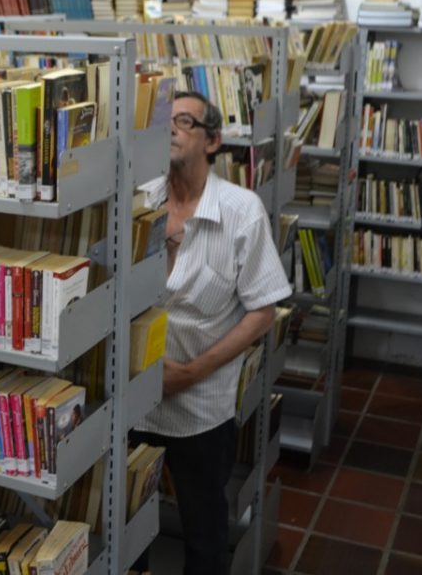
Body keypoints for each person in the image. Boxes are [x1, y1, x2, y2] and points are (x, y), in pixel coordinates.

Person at [131, 91, 292, 575]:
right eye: (167, 122)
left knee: (203, 530)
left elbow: (263, 311)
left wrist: (191, 373)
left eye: (185, 121)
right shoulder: (142, 200)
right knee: (127, 521)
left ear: (213, 141)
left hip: (201, 407)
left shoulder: (242, 211)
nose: (172, 130)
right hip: (138, 396)